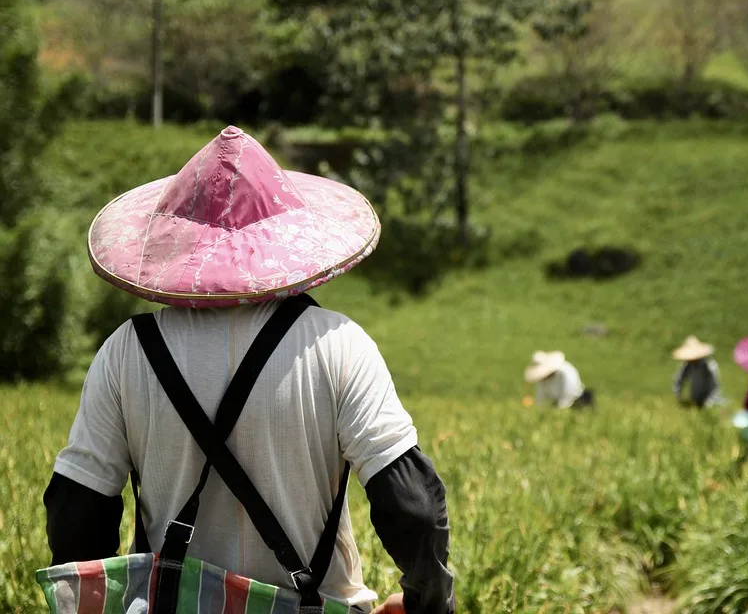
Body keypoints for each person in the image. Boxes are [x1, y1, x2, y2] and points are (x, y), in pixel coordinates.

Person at [42, 126, 455, 614]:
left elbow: (76, 517)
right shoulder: (337, 344)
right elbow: (414, 508)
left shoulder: (127, 351)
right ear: (286, 239)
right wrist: (428, 605)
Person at [524, 351, 594, 409]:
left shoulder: (565, 373)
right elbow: (540, 397)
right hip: (558, 403)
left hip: (578, 401)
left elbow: (568, 394)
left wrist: (558, 409)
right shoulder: (543, 380)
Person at [671, 336, 725, 408]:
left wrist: (709, 402)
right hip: (695, 398)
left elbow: (714, 386)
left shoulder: (710, 366)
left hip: (711, 400)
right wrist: (678, 394)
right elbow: (679, 379)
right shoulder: (687, 365)